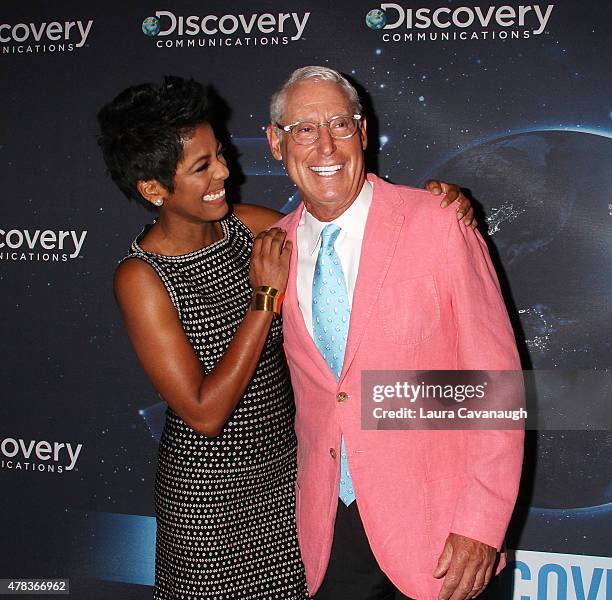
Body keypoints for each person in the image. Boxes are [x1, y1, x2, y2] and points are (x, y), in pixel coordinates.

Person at [97, 75, 472, 600]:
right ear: (154, 189)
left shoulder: (252, 228)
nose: (226, 171)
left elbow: (340, 226)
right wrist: (264, 302)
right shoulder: (142, 277)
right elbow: (203, 412)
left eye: (220, 153)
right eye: (201, 166)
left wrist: (438, 207)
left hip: (290, 486)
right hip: (210, 503)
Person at [266, 66, 524, 600]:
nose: (325, 144)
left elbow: (496, 384)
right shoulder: (272, 247)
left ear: (363, 132)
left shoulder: (439, 220)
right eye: (303, 129)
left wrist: (481, 524)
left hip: (444, 539)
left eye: (340, 123)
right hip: (329, 536)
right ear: (276, 143)